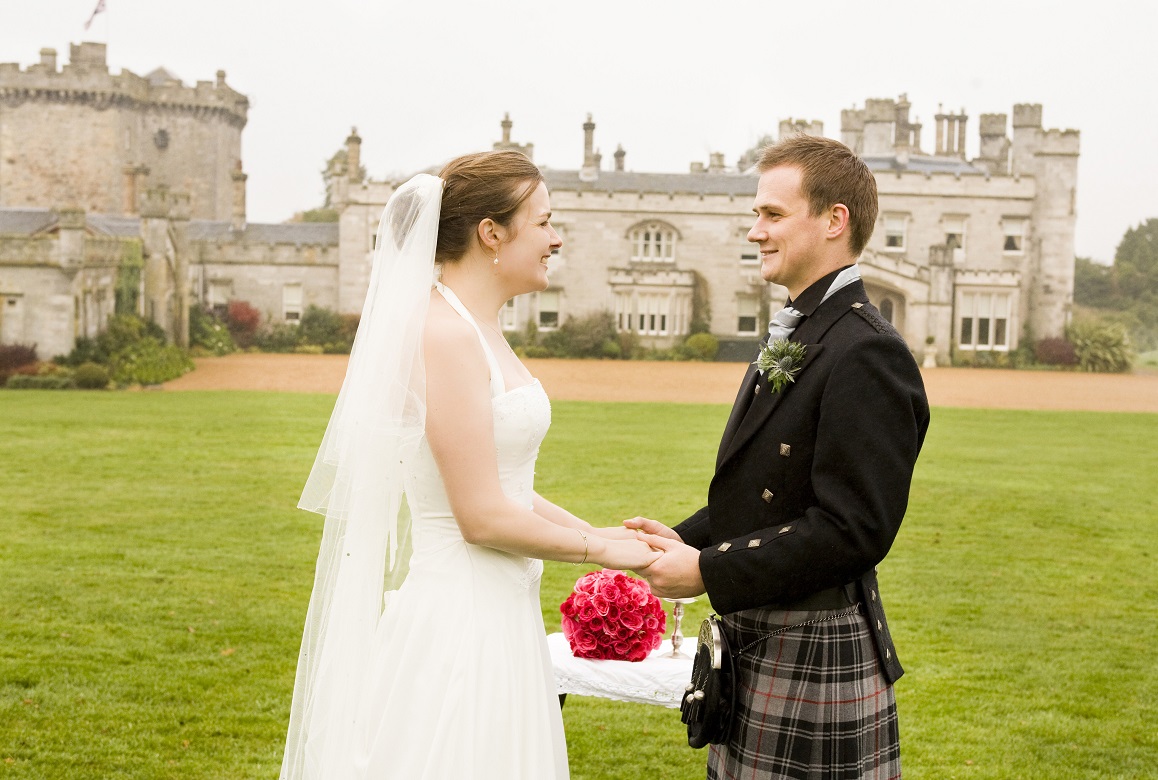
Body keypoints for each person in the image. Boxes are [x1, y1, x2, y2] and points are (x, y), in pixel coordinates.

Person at [281, 151, 660, 780]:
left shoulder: (479, 327)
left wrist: (616, 534)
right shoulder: (446, 334)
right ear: (492, 233)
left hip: (501, 611)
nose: (556, 238)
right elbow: (480, 517)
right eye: (543, 222)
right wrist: (598, 551)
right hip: (460, 624)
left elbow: (505, 484)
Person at [629, 135, 930, 779]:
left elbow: (854, 529)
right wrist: (673, 544)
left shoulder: (865, 352)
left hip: (814, 647)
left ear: (833, 220)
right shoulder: (805, 326)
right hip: (766, 637)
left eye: (771, 214)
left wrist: (709, 569)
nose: (753, 230)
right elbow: (768, 489)